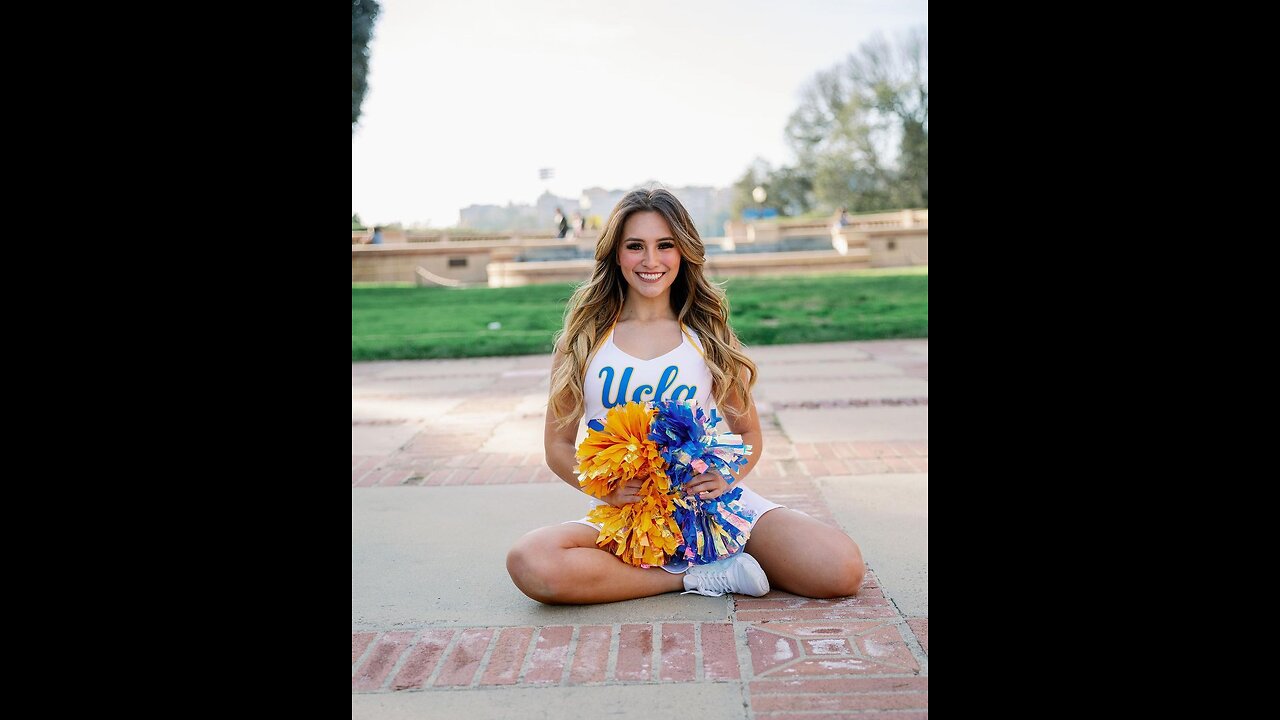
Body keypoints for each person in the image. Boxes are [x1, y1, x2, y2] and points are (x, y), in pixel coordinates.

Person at [507, 188, 865, 604]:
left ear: (684, 251)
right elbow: (557, 445)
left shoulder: (707, 336)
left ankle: (715, 552)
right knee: (531, 561)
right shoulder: (584, 341)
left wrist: (727, 477)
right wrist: (604, 491)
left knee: (841, 568)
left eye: (665, 245)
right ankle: (697, 576)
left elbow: (748, 435)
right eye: (635, 246)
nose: (651, 261)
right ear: (615, 254)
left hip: (711, 508)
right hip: (631, 517)